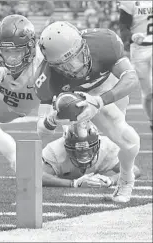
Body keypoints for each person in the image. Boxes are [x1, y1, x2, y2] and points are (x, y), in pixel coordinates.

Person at [33, 21, 140, 203]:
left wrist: (100, 101)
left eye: (77, 56)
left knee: (129, 142)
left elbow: (130, 78)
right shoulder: (46, 79)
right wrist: (52, 119)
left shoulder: (104, 42)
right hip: (75, 97)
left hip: (108, 88)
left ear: (83, 44)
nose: (76, 67)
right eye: (65, 65)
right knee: (92, 137)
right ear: (52, 65)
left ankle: (125, 179)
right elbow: (41, 130)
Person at [0, 114, 141, 189]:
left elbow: (135, 170)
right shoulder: (57, 151)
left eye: (87, 148)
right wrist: (73, 184)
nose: (83, 154)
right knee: (18, 160)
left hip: (70, 172)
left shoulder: (107, 147)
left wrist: (111, 180)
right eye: (78, 150)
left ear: (97, 144)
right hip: (40, 164)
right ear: (67, 145)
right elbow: (36, 176)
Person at [119, 1, 153, 131]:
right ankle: (151, 121)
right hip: (139, 49)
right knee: (148, 94)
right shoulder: (129, 2)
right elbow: (123, 27)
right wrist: (132, 36)